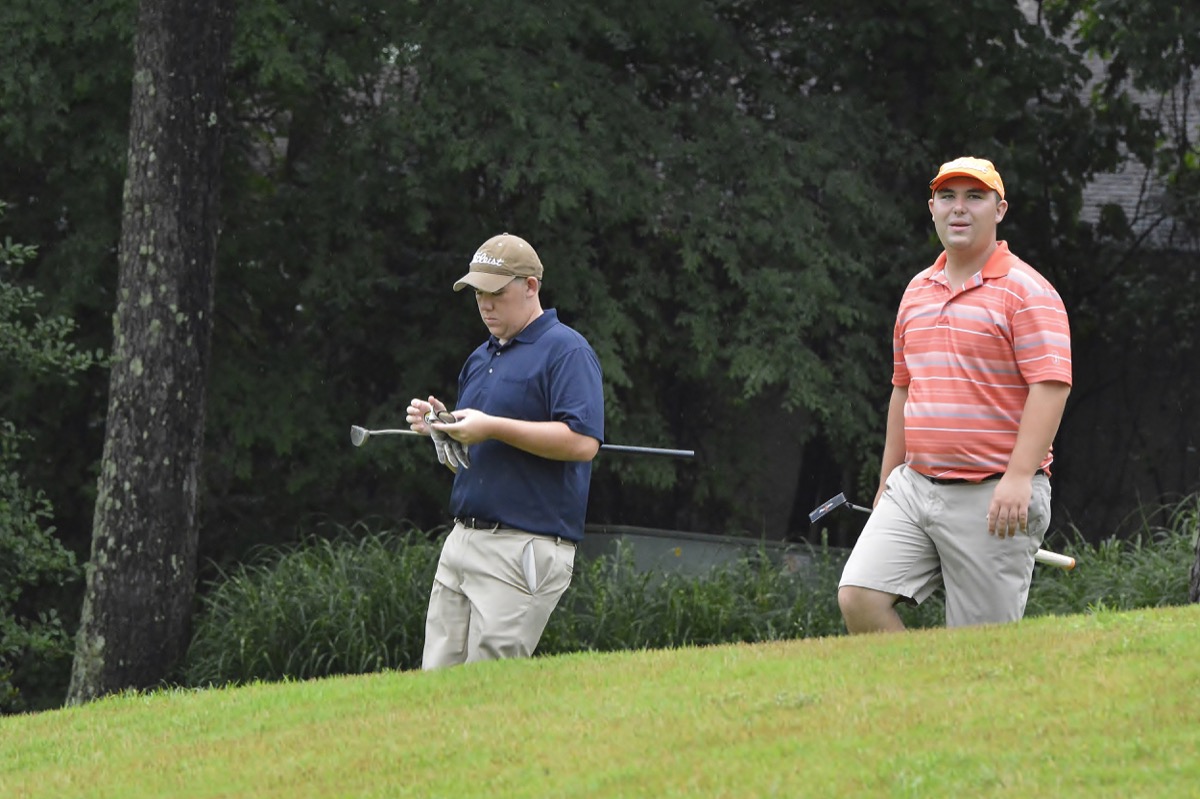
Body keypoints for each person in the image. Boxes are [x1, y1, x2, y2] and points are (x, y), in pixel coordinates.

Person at [837, 156, 1072, 632]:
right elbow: (904, 390)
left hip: (993, 493)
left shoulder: (1028, 291)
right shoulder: (917, 291)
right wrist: (887, 481)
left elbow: (1051, 387)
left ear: (999, 210)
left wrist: (1018, 477)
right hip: (913, 487)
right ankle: (918, 683)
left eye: (974, 197)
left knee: (977, 646)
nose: (959, 208)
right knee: (859, 598)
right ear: (933, 209)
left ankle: (950, 684)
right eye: (947, 197)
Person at [406, 232, 605, 668]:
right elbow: (480, 458)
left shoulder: (567, 351)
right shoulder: (480, 358)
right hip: (463, 539)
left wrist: (491, 426)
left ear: (530, 286)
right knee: (432, 688)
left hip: (524, 546)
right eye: (479, 293)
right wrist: (446, 430)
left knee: (487, 690)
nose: (485, 305)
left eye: (496, 293)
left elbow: (583, 442)